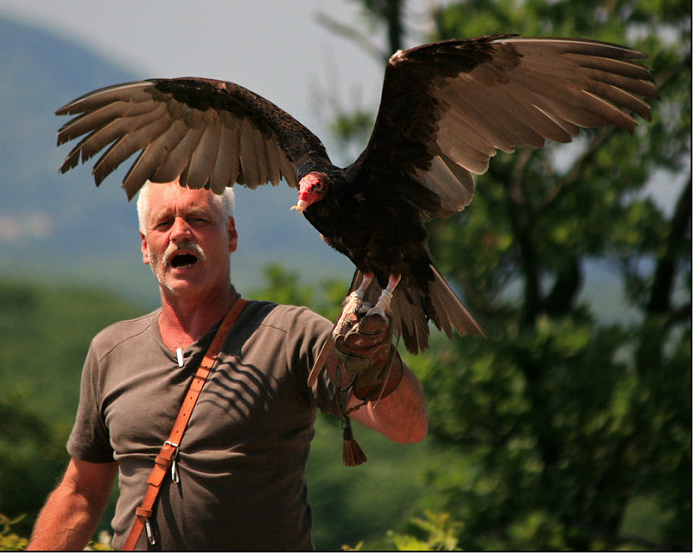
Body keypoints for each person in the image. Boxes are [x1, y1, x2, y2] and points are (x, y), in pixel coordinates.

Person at [27, 181, 428, 551]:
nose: (180, 232)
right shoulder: (111, 350)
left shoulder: (291, 334)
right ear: (145, 246)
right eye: (164, 223)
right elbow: (81, 492)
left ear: (231, 234)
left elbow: (407, 427)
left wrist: (378, 360)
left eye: (199, 219)